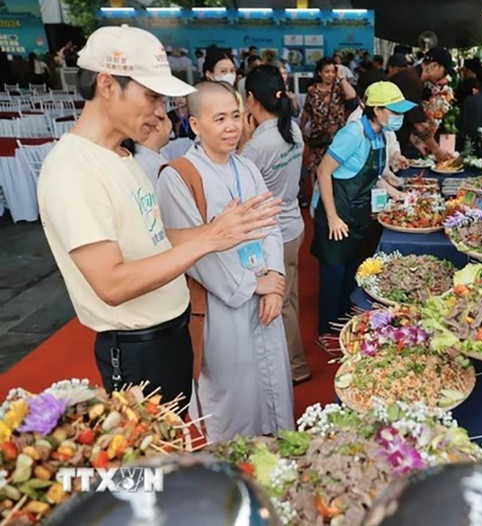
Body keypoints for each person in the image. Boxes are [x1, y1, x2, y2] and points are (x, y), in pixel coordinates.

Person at [36, 25, 281, 406]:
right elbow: (112, 284)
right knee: (149, 459)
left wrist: (217, 230)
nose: (158, 111)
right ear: (107, 85)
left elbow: (154, 238)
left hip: (170, 332)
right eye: (150, 95)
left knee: (175, 445)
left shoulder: (122, 157)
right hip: (137, 348)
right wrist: (209, 238)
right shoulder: (73, 170)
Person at [157, 81, 294, 440]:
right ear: (195, 124)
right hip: (223, 306)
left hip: (265, 296)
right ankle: (236, 476)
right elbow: (194, 254)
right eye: (219, 119)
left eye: (236, 116)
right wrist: (252, 285)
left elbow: (271, 225)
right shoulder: (178, 176)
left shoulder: (246, 167)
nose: (232, 126)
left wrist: (275, 281)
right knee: (233, 401)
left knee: (274, 392)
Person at [310, 81, 416, 346]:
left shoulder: (378, 136)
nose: (399, 117)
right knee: (334, 273)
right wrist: (333, 217)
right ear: (377, 110)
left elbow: (375, 176)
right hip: (338, 209)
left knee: (351, 272)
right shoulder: (354, 133)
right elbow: (323, 172)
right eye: (395, 111)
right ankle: (326, 329)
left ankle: (345, 323)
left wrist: (400, 196)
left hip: (358, 211)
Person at [242, 66, 311, 384]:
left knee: (278, 305)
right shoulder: (293, 130)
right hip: (293, 227)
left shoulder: (257, 147)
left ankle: (295, 368)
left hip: (272, 237)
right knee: (289, 300)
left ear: (251, 99)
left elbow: (241, 186)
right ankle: (295, 364)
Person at [388, 47, 454, 161]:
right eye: (445, 71)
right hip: (388, 141)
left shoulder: (411, 76)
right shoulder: (412, 81)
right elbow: (420, 125)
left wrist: (416, 142)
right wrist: (437, 151)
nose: (445, 77)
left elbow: (408, 116)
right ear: (434, 66)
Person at [301, 57, 358, 187]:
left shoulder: (339, 88)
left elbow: (352, 95)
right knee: (317, 169)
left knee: (336, 168)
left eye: (333, 71)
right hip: (319, 136)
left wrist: (342, 78)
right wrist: (302, 127)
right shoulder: (312, 90)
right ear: (319, 73)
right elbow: (307, 111)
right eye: (327, 71)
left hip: (337, 137)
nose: (330, 75)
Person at [131, 112, 172, 186]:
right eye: (167, 118)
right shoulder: (153, 169)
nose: (170, 124)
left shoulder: (139, 159)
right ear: (157, 125)